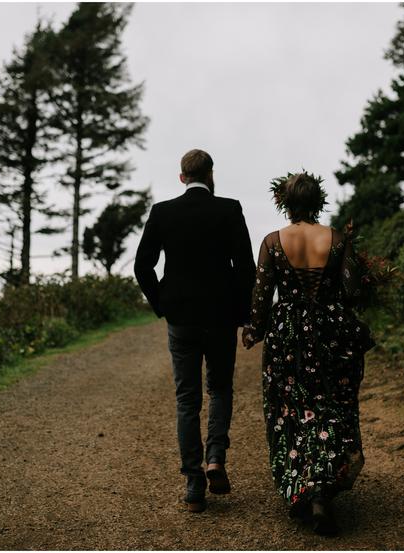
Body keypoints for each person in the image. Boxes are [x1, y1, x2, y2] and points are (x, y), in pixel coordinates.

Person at [241, 172, 375, 536]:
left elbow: (262, 294)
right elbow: (350, 292)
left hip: (288, 335)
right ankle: (324, 487)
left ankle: (303, 485)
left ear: (284, 203)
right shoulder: (338, 239)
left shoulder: (272, 242)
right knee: (332, 404)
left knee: (290, 408)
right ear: (319, 202)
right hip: (332, 333)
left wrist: (254, 330)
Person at [134, 149, 256, 513]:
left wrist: (162, 304)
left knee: (186, 399)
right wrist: (245, 314)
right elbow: (246, 268)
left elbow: (142, 265)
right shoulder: (229, 209)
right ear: (211, 174)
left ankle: (193, 481)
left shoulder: (163, 212)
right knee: (219, 388)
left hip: (181, 318)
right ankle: (215, 457)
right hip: (220, 316)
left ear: (182, 177)